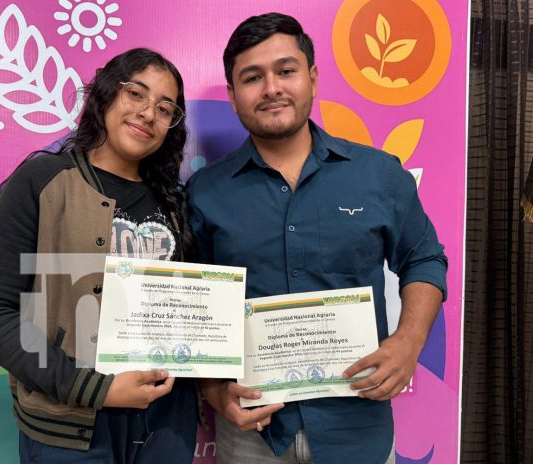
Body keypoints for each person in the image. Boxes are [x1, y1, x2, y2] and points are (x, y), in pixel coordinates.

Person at [187, 13, 447, 464]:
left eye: (286, 71)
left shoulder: (379, 174)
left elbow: (424, 259)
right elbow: (196, 304)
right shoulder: (206, 192)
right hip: (253, 431)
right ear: (233, 95)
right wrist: (212, 390)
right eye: (252, 77)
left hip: (357, 426)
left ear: (311, 77)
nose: (271, 88)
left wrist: (408, 342)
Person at [0, 48, 198, 464]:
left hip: (165, 425)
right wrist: (94, 388)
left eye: (165, 108)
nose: (147, 113)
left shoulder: (175, 203)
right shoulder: (42, 180)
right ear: (106, 94)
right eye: (136, 94)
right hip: (68, 428)